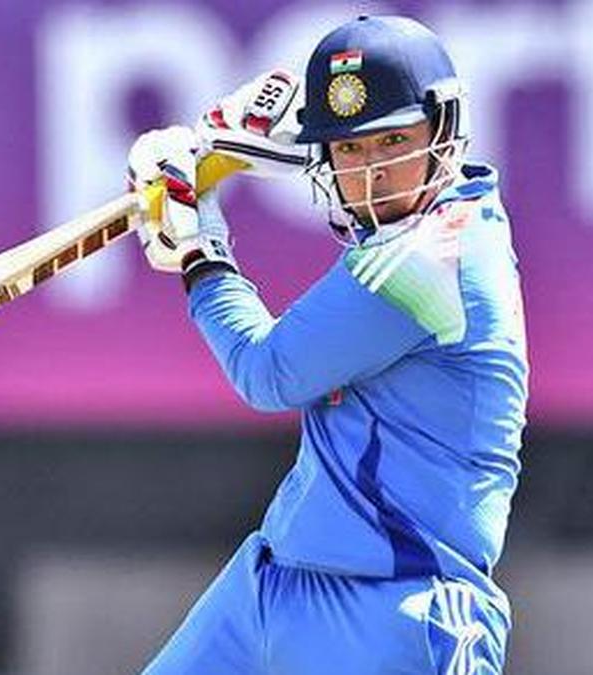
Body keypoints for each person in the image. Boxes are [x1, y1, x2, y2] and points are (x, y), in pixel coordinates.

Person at [128, 15, 528, 674]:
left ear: (444, 129)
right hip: (271, 584)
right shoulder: (426, 224)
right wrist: (233, 147)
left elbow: (267, 371)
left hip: (399, 611)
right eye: (349, 148)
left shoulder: (433, 258)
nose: (373, 173)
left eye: (394, 140)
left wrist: (200, 249)